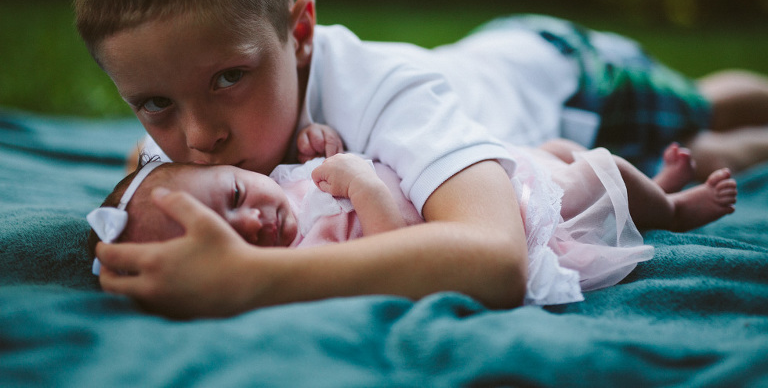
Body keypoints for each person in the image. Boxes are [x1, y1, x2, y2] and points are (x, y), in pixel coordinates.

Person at [74, 0, 761, 318]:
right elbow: (146, 180)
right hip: (539, 130)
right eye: (156, 103)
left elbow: (494, 259)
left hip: (568, 78)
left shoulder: (386, 94)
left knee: (702, 108)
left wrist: (254, 276)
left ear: (300, 32)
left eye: (228, 78)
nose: (198, 138)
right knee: (704, 156)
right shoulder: (187, 142)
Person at [87, 131, 737, 307]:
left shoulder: (281, 179)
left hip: (478, 172)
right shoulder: (302, 257)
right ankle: (672, 205)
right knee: (598, 172)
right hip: (513, 212)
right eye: (234, 235)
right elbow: (399, 244)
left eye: (235, 196)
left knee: (560, 148)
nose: (253, 221)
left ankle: (656, 186)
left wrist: (320, 141)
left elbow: (153, 158)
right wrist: (363, 183)